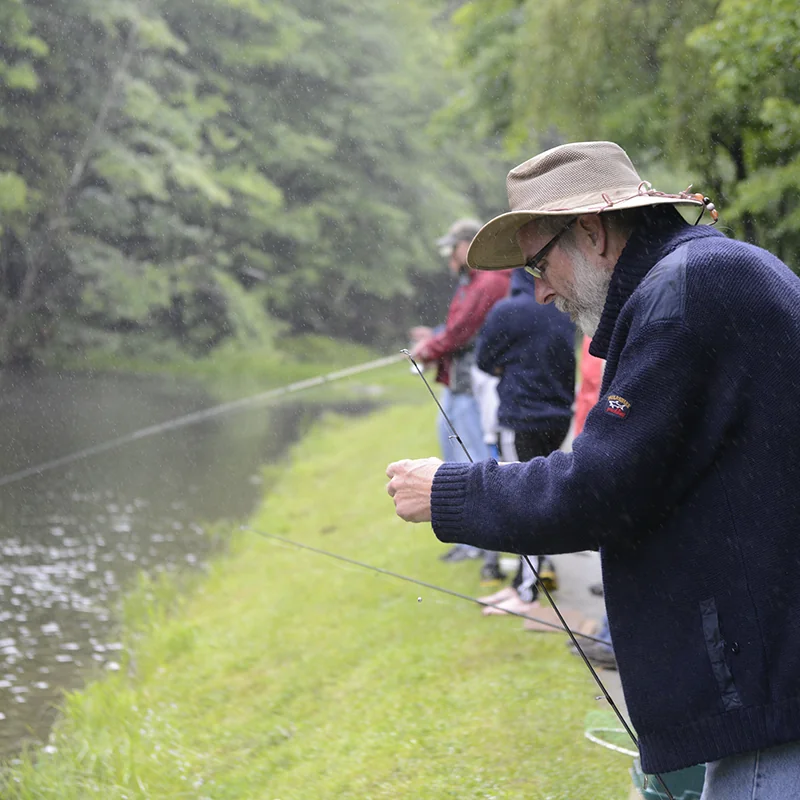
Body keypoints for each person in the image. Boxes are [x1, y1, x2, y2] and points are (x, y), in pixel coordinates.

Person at [386, 141, 800, 797]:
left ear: (591, 231)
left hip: (768, 699)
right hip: (760, 678)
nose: (539, 290)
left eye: (539, 264)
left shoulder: (688, 293)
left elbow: (601, 487)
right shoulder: (701, 274)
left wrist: (450, 490)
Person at [409, 218, 510, 568]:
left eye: (452, 247)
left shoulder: (491, 281)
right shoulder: (470, 281)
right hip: (455, 382)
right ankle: (468, 540)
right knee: (452, 456)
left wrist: (427, 348)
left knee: (472, 460)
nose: (448, 256)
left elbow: (461, 332)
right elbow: (453, 328)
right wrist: (433, 339)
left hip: (473, 386)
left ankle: (486, 545)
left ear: (468, 245)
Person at [475, 267, 575, 615]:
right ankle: (536, 569)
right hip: (560, 417)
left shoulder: (507, 311)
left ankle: (525, 590)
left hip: (521, 419)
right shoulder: (561, 307)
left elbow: (483, 361)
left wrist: (509, 363)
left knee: (522, 499)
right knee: (544, 493)